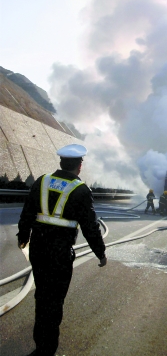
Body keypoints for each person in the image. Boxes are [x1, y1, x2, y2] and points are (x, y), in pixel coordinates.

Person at [17, 144, 107, 356]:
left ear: (61, 162)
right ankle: (47, 350)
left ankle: (41, 346)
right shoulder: (81, 190)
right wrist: (100, 253)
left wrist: (23, 238)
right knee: (54, 301)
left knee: (42, 297)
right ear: (79, 165)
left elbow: (27, 212)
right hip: (59, 254)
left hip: (38, 250)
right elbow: (90, 227)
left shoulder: (42, 180)